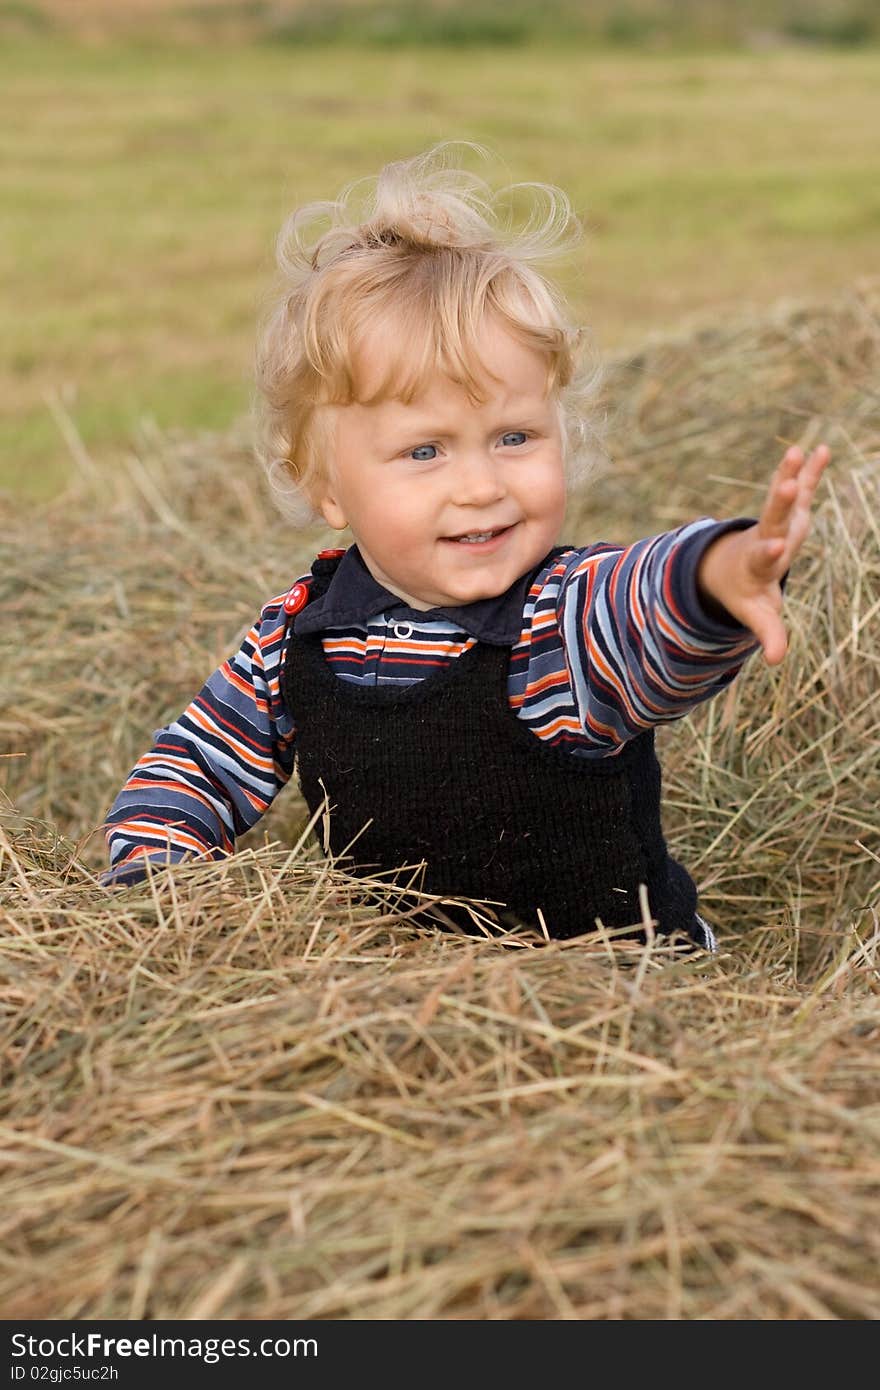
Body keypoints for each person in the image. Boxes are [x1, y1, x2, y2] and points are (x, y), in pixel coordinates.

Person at [103, 144, 829, 948]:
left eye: (514, 437)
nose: (481, 485)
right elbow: (198, 765)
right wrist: (153, 889)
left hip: (614, 1016)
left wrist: (723, 572)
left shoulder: (560, 621)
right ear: (327, 486)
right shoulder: (294, 637)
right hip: (412, 1014)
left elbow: (646, 604)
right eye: (426, 451)